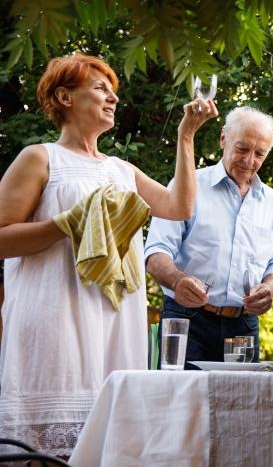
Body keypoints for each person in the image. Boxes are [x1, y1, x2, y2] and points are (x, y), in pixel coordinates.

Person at [0, 54, 215, 456]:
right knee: (46, 453)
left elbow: (179, 206)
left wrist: (187, 135)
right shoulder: (40, 157)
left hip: (116, 319)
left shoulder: (121, 170)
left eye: (113, 90)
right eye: (100, 88)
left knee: (113, 447)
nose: (112, 97)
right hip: (56, 318)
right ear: (64, 97)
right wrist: (66, 223)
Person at [145, 106, 273, 365]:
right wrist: (178, 280)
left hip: (243, 325)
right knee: (182, 400)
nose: (249, 161)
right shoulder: (188, 187)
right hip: (187, 318)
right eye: (242, 149)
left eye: (259, 154)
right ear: (223, 139)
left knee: (239, 403)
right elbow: (155, 252)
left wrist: (269, 288)